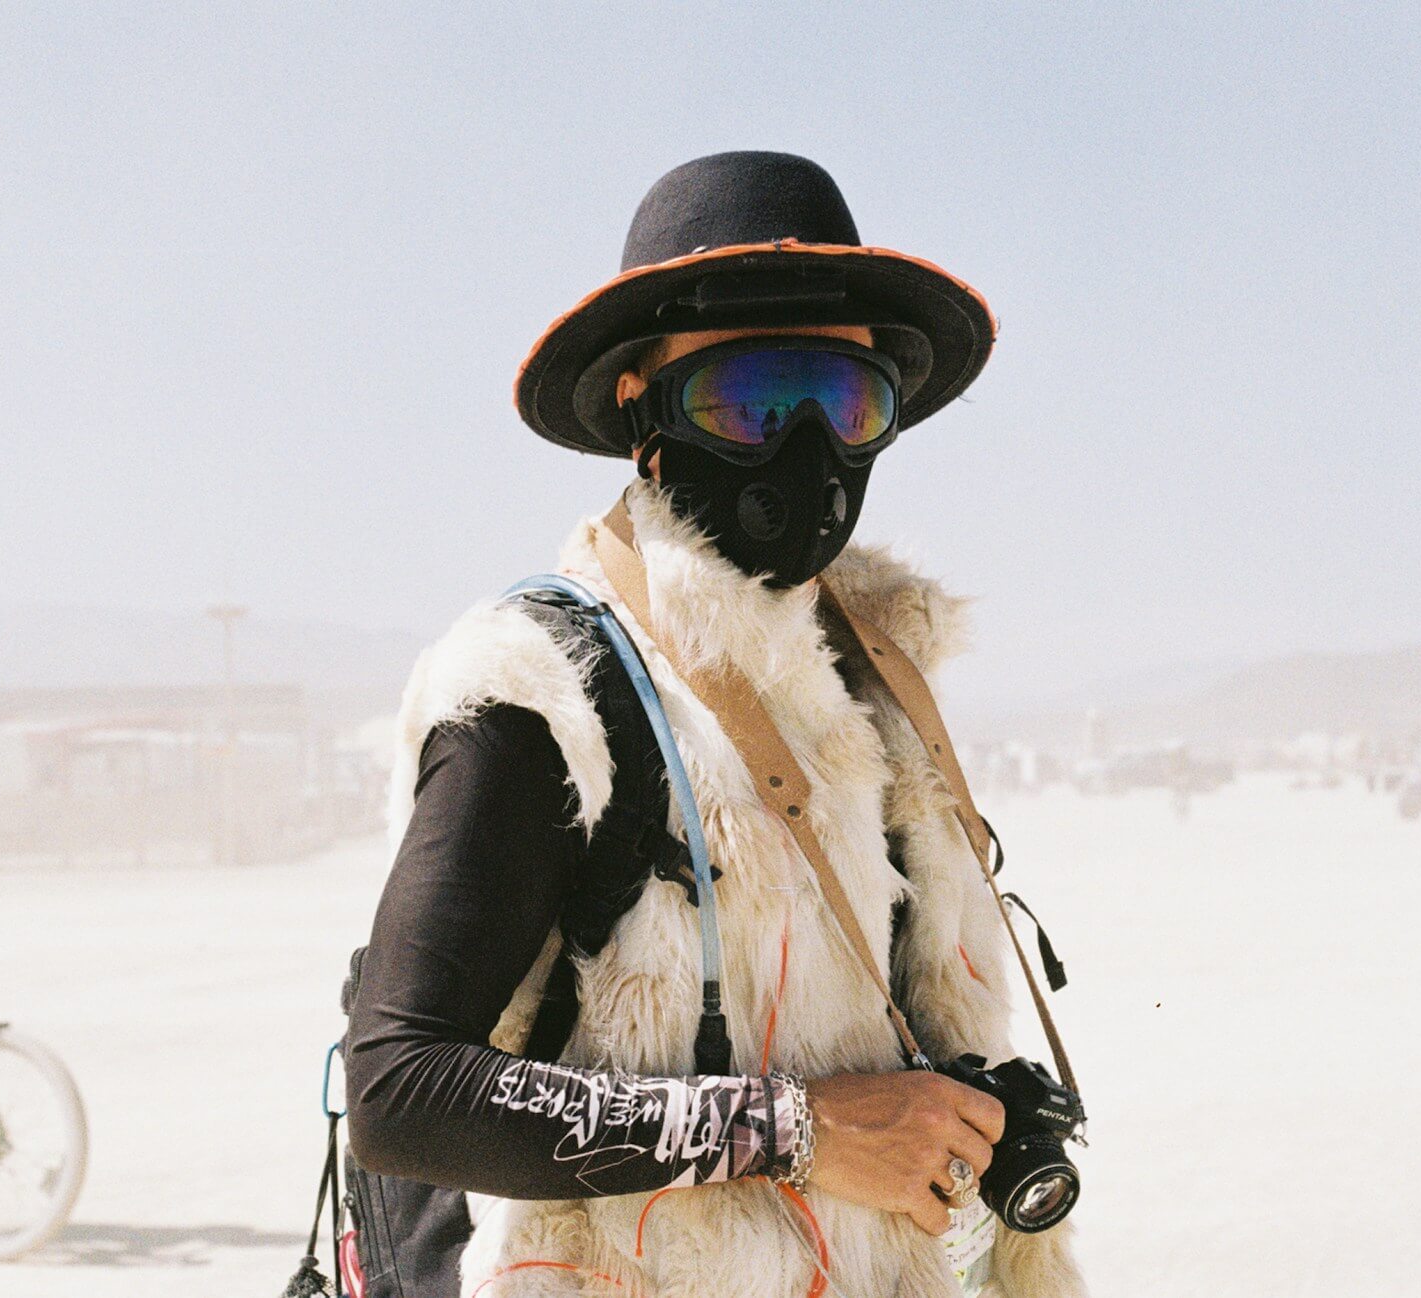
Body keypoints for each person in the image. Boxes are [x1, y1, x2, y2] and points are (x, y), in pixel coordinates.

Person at [345, 152, 1084, 1296]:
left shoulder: (877, 676)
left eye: (847, 402)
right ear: (640, 408)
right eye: (748, 402)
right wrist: (800, 1130)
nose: (808, 449)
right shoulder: (547, 686)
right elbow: (399, 1090)